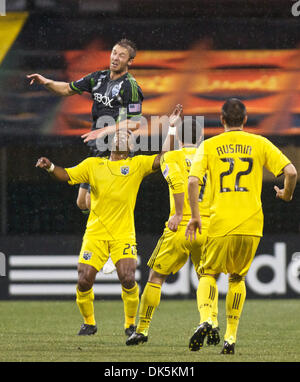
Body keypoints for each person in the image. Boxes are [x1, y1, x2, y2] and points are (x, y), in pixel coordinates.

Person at [35, 104, 182, 339]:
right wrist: (51, 167)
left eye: (127, 135)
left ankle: (130, 325)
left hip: (123, 234)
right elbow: (67, 175)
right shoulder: (93, 165)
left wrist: (172, 128)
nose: (122, 137)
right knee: (84, 279)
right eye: (118, 134)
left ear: (132, 146)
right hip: (95, 234)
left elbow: (165, 157)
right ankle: (89, 323)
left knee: (127, 276)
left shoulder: (136, 166)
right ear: (110, 143)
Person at [186, 98, 297, 354]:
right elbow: (290, 172)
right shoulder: (259, 143)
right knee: (237, 278)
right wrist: (287, 195)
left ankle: (207, 319)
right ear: (245, 120)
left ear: (221, 119)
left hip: (220, 221)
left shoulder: (209, 145)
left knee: (208, 274)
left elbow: (193, 182)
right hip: (251, 223)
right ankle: (230, 337)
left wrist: (194, 215)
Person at [126, 117, 220, 346]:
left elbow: (178, 183)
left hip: (181, 227)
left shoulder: (173, 156)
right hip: (207, 226)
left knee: (156, 277)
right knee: (207, 278)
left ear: (178, 138)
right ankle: (211, 322)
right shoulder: (210, 158)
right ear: (200, 138)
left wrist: (179, 214)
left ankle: (142, 329)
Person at [27, 39, 143, 215]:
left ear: (130, 61)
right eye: (114, 52)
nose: (115, 58)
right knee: (82, 203)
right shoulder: (98, 78)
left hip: (116, 148)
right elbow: (66, 89)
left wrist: (105, 130)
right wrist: (45, 82)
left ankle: (113, 230)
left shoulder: (130, 86)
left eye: (121, 55)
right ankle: (110, 217)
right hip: (97, 144)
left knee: (92, 200)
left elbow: (135, 122)